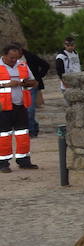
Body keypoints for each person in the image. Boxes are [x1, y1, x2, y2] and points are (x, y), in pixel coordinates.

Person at [0, 42, 39, 172]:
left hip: (21, 106)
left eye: (16, 57)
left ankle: (24, 161)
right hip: (3, 108)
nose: (14, 60)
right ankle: (3, 163)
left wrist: (24, 83)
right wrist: (6, 85)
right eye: (11, 57)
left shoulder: (22, 65)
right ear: (4, 55)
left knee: (23, 134)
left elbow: (34, 82)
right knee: (4, 135)